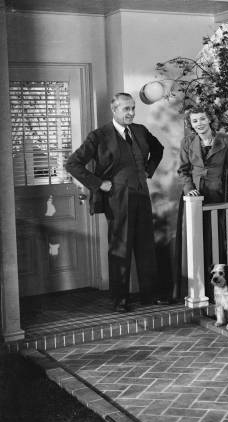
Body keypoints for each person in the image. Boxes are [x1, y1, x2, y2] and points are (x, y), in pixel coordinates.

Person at [66, 92, 164, 311]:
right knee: (121, 248)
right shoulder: (99, 136)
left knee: (146, 246)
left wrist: (149, 169)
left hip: (141, 194)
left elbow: (158, 149)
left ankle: (150, 295)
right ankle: (120, 299)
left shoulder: (140, 131)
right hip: (117, 198)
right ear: (115, 110)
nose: (130, 113)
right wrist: (98, 183)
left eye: (132, 108)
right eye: (125, 109)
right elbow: (73, 164)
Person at [175, 107, 228, 300]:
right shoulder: (187, 142)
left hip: (219, 195)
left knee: (217, 239)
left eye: (202, 119)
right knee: (195, 240)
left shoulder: (227, 140)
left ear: (209, 119)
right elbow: (183, 170)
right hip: (194, 196)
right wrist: (189, 189)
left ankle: (220, 292)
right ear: (191, 124)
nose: (199, 123)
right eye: (195, 121)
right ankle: (197, 289)